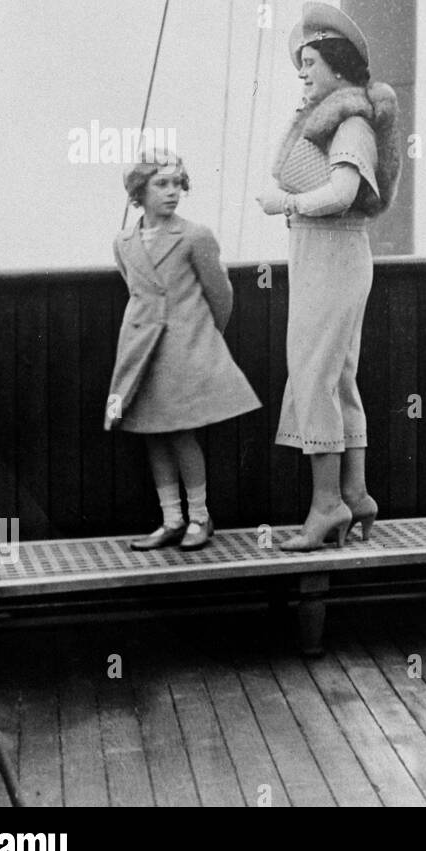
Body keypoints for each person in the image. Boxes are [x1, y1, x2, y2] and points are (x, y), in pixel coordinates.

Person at [257, 1, 400, 551]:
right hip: (328, 256)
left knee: (314, 373)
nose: (303, 73)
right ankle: (356, 494)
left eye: (311, 61)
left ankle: (326, 506)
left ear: (338, 65)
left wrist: (282, 201)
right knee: (336, 374)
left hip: (334, 255)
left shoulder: (352, 122)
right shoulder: (340, 118)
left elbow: (342, 194)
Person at [107, 149, 261, 551]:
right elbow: (135, 290)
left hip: (185, 347)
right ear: (139, 191)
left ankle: (199, 517)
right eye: (161, 184)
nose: (172, 192)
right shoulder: (124, 241)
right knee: (152, 434)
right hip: (142, 351)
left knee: (180, 434)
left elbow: (220, 294)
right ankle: (171, 519)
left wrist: (201, 339)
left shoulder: (194, 235)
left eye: (177, 183)